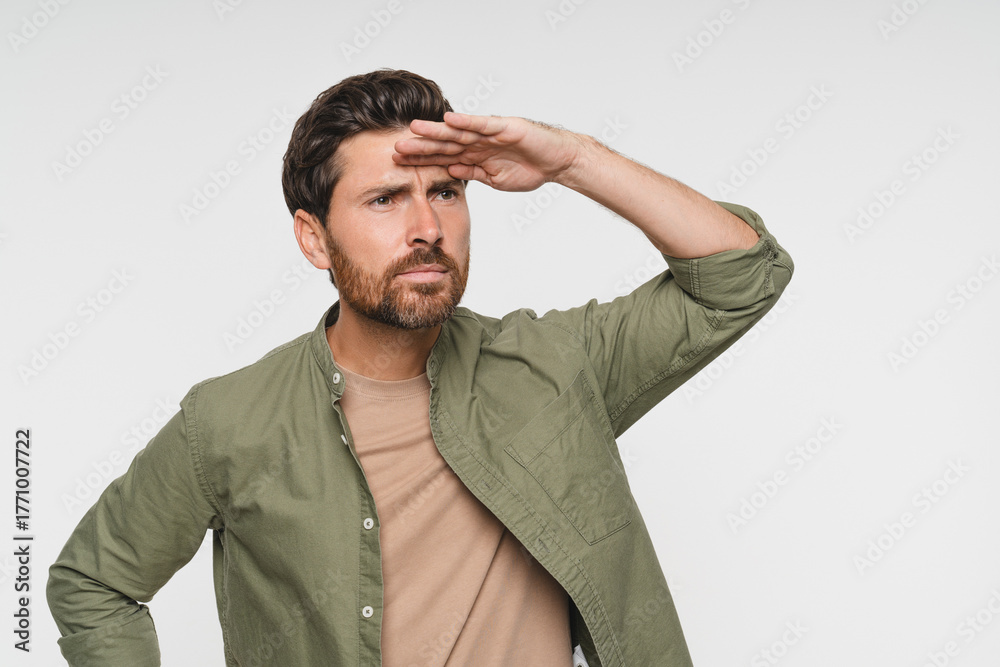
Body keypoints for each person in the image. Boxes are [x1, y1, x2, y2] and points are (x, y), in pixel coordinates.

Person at [47, 68, 794, 666]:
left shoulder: (558, 365)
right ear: (314, 238)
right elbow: (92, 581)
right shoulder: (229, 421)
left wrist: (573, 159)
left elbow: (741, 273)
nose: (428, 227)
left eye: (446, 192)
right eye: (385, 199)